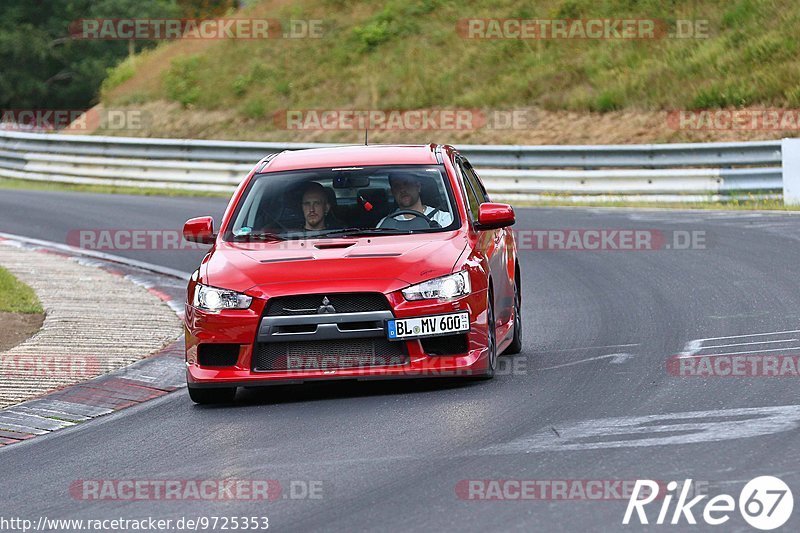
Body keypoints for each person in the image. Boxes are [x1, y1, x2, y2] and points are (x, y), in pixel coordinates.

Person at [378, 175, 453, 228]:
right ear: (392, 192)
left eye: (406, 184)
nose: (402, 190)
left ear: (418, 187)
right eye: (397, 186)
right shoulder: (385, 224)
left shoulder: (443, 219)